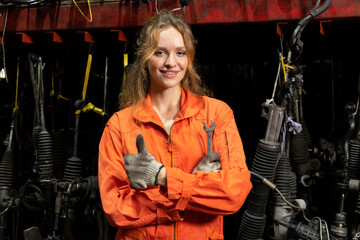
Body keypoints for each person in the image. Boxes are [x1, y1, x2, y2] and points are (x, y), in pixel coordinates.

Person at [98, 10, 252, 240]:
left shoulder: (216, 114)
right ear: (146, 59)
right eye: (160, 52)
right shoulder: (119, 126)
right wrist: (191, 185)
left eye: (180, 53)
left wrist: (161, 177)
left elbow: (233, 193)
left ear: (188, 58)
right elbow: (116, 210)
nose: (171, 62)